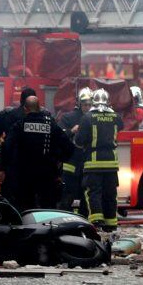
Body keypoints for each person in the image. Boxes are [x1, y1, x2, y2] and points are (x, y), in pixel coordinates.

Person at [0, 96, 73, 211]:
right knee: (48, 208)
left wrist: (3, 168)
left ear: (25, 108)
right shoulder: (51, 125)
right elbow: (68, 146)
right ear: (39, 107)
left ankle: (29, 228)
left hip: (24, 175)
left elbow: (7, 147)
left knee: (26, 208)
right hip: (47, 174)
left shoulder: (20, 125)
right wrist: (59, 160)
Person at [75, 89, 124, 231]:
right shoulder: (115, 116)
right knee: (110, 193)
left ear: (93, 101)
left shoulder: (87, 117)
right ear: (108, 102)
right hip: (112, 163)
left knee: (93, 192)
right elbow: (121, 126)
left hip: (93, 163)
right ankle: (111, 223)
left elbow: (79, 141)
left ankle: (96, 221)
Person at [57, 87, 93, 215]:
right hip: (71, 164)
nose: (87, 107)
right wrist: (71, 131)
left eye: (90, 104)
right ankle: (65, 215)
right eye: (85, 104)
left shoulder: (95, 118)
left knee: (86, 192)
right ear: (79, 103)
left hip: (88, 163)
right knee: (69, 192)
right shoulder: (69, 117)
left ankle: (85, 215)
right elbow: (58, 134)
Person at [0, 87, 37, 162]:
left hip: (12, 164)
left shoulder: (6, 115)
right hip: (39, 165)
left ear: (21, 100)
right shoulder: (46, 118)